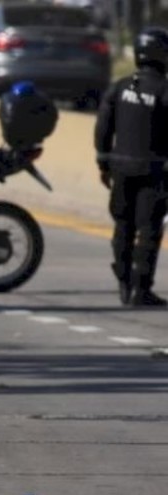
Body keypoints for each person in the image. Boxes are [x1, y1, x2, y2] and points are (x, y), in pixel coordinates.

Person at [95, 27, 168, 308]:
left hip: (120, 168)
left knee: (123, 224)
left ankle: (125, 284)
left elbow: (103, 127)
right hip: (154, 171)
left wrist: (103, 162)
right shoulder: (163, 90)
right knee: (148, 229)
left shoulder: (121, 87)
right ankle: (141, 288)